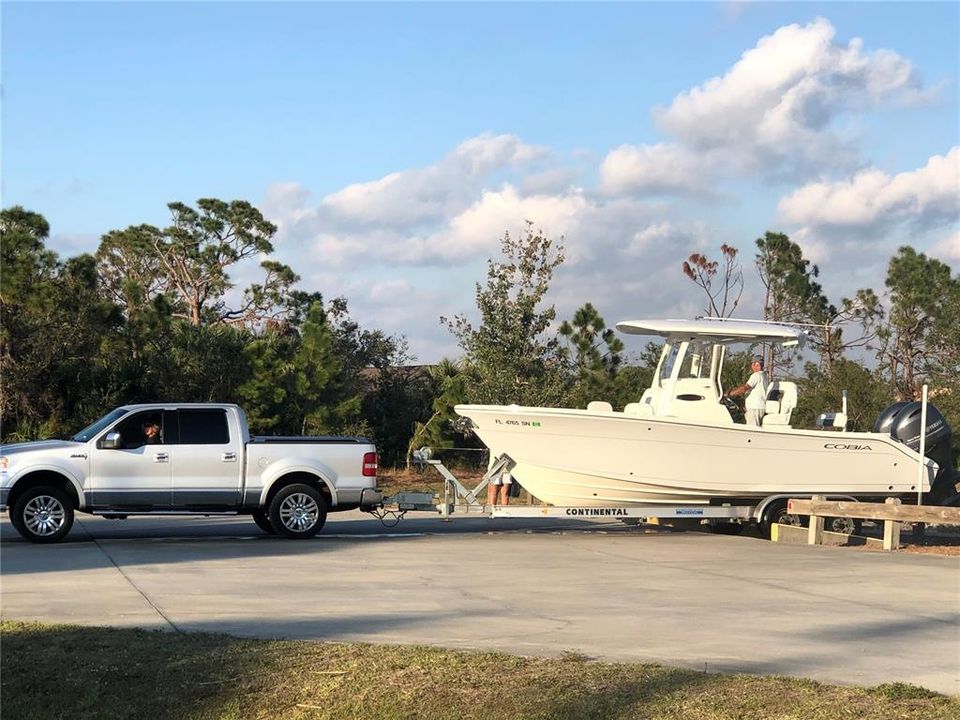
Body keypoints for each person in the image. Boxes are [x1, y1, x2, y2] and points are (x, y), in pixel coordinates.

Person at [724, 356, 769, 426]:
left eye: (752, 364)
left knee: (752, 431)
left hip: (754, 408)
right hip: (760, 407)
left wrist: (730, 394)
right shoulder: (765, 376)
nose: (752, 367)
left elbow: (745, 388)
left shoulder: (756, 375)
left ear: (756, 364)